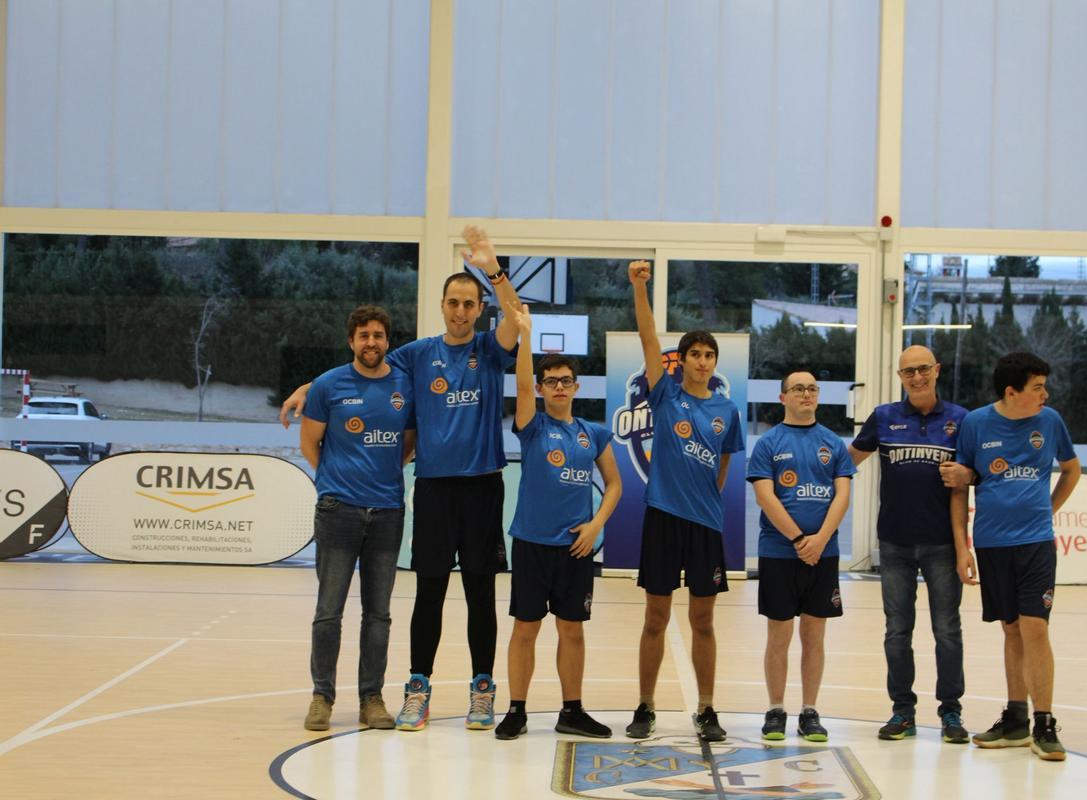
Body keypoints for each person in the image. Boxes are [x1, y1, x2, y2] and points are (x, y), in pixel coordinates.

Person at [282, 226, 521, 731]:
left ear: (479, 309)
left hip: (482, 486)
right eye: (453, 303)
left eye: (469, 304)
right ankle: (418, 689)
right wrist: (310, 386)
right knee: (429, 593)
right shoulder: (415, 355)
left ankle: (482, 688)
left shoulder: (490, 351)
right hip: (433, 489)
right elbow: (361, 367)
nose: (460, 311)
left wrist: (492, 267)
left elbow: (515, 321)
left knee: (481, 594)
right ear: (441, 306)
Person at [624, 260, 745, 743]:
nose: (701, 361)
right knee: (655, 617)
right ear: (683, 361)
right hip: (662, 519)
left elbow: (722, 466)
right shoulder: (665, 396)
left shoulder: (727, 410)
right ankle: (646, 705)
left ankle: (707, 709)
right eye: (693, 353)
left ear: (716, 363)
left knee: (703, 620)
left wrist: (705, 502)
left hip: (705, 526)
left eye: (708, 354)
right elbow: (649, 338)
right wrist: (639, 287)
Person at [494, 301, 623, 741]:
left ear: (576, 386)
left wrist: (595, 526)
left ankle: (572, 710)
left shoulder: (593, 433)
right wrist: (525, 334)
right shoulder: (532, 426)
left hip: (576, 549)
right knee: (525, 628)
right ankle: (516, 710)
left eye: (565, 381)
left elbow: (616, 486)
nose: (559, 388)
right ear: (543, 388)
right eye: (551, 382)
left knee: (572, 629)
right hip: (532, 544)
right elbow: (522, 386)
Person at [951, 352, 1081, 761]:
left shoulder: (1051, 421)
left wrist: (1049, 510)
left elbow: (1072, 469)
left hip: (1035, 544)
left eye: (1044, 386)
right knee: (1010, 630)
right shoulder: (976, 424)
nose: (1045, 394)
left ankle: (1044, 723)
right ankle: (1015, 719)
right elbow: (960, 485)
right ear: (1012, 392)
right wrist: (962, 547)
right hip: (991, 543)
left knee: (1035, 629)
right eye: (1037, 387)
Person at [847, 345, 973, 744]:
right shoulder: (884, 417)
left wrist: (968, 473)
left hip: (942, 545)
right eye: (908, 372)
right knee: (897, 631)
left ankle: (951, 713)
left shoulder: (960, 420)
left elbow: (977, 474)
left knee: (947, 631)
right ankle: (903, 711)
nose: (916, 377)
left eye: (922, 369)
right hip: (896, 545)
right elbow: (845, 463)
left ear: (936, 370)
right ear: (900, 376)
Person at [299, 305, 414, 731]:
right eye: (364, 335)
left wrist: (380, 476)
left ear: (388, 342)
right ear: (351, 341)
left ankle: (372, 699)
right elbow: (310, 443)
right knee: (328, 611)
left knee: (378, 615)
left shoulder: (405, 384)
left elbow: (408, 445)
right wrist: (333, 482)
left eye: (379, 335)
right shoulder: (328, 385)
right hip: (337, 511)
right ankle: (321, 698)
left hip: (387, 512)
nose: (371, 342)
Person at [748, 370, 854, 742]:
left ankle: (810, 712)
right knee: (779, 635)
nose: (806, 394)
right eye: (798, 389)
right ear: (783, 398)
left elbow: (842, 495)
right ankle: (776, 710)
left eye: (811, 389)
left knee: (814, 636)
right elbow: (765, 496)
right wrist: (797, 539)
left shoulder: (833, 443)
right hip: (779, 552)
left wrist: (820, 539)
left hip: (823, 555)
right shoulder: (768, 443)